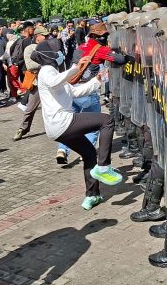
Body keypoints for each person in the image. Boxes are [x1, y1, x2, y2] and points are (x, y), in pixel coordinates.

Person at [32, 38, 122, 210]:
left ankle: (92, 195)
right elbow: (53, 81)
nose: (60, 54)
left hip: (58, 127)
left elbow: (75, 92)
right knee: (107, 120)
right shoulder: (46, 71)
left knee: (89, 153)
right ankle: (104, 167)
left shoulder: (55, 73)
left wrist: (97, 80)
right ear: (49, 55)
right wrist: (76, 68)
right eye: (57, 52)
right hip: (62, 122)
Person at [57, 23, 126, 164]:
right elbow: (120, 60)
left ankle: (62, 149)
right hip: (87, 91)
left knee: (70, 123)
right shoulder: (100, 49)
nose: (105, 38)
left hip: (72, 90)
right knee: (95, 125)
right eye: (104, 36)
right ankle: (86, 151)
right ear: (96, 37)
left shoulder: (81, 47)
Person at [13, 26, 49, 141]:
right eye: (45, 35)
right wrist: (48, 62)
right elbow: (30, 65)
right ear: (37, 37)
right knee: (30, 108)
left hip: (51, 80)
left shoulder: (49, 46)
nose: (47, 37)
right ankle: (23, 128)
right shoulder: (30, 48)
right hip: (38, 82)